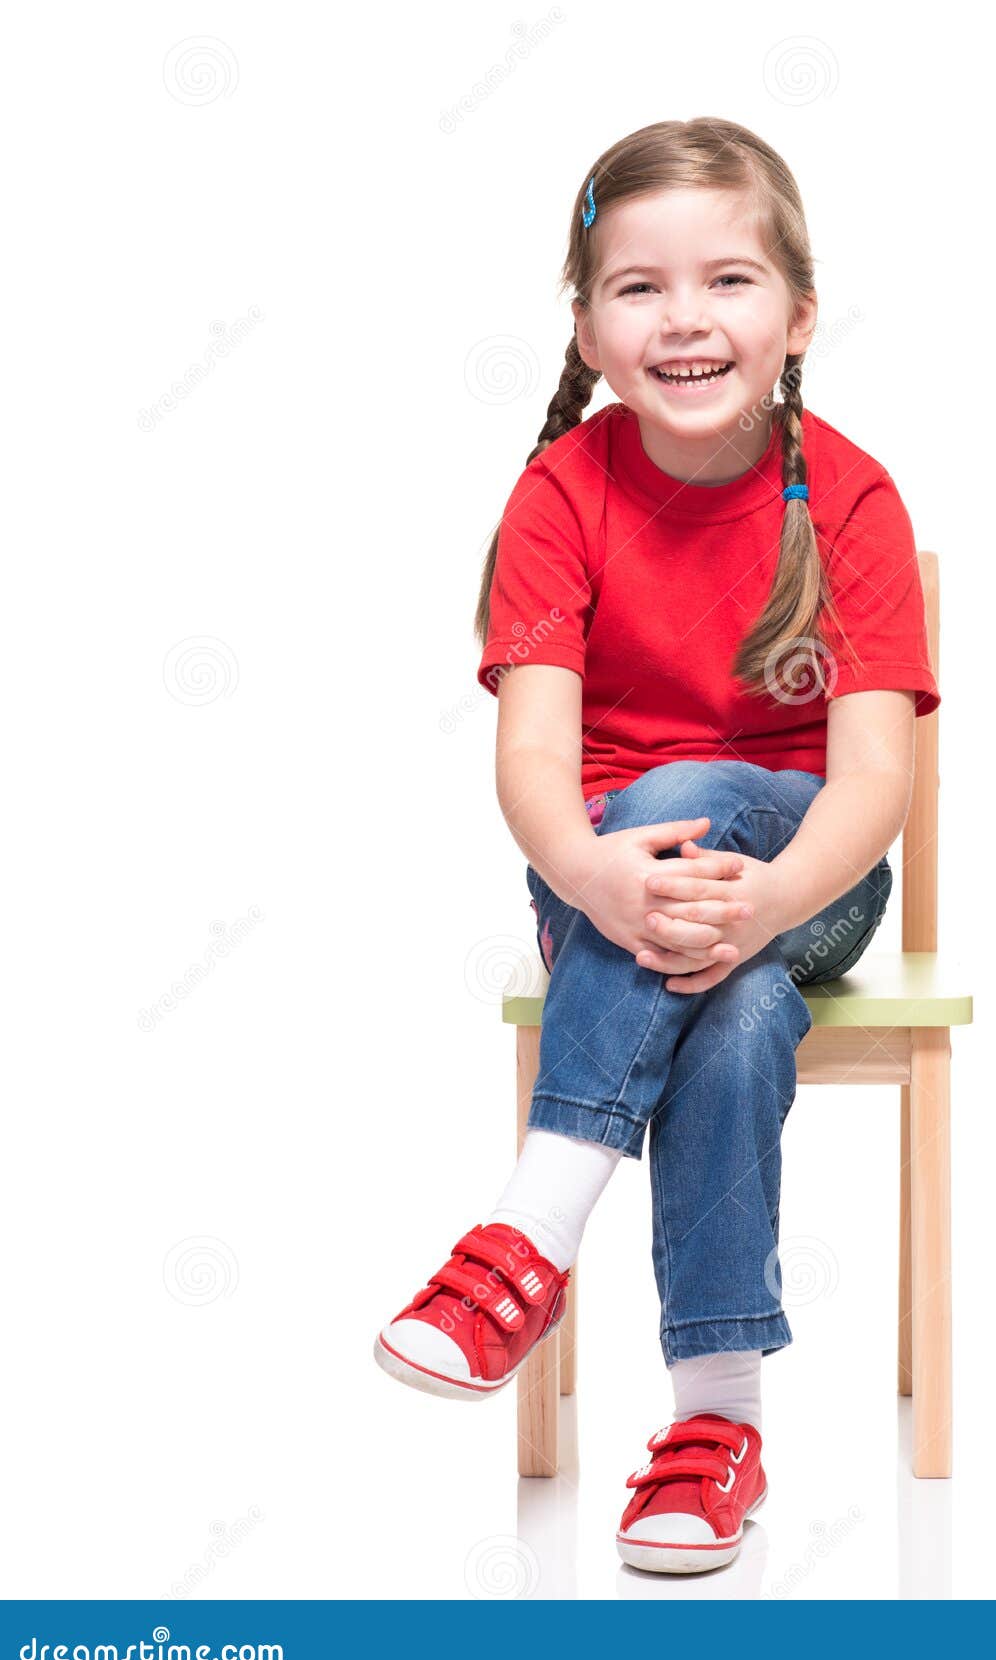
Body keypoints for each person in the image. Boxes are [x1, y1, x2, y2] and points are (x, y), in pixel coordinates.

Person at [373, 116, 940, 1576]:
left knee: (712, 822)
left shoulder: (859, 500)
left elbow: (873, 781)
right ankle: (717, 1429)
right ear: (585, 324)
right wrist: (596, 874)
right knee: (736, 1012)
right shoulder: (561, 496)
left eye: (730, 281)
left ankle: (527, 1230)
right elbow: (531, 762)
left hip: (806, 884)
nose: (685, 318)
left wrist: (766, 901)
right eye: (638, 287)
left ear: (798, 315)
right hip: (603, 895)